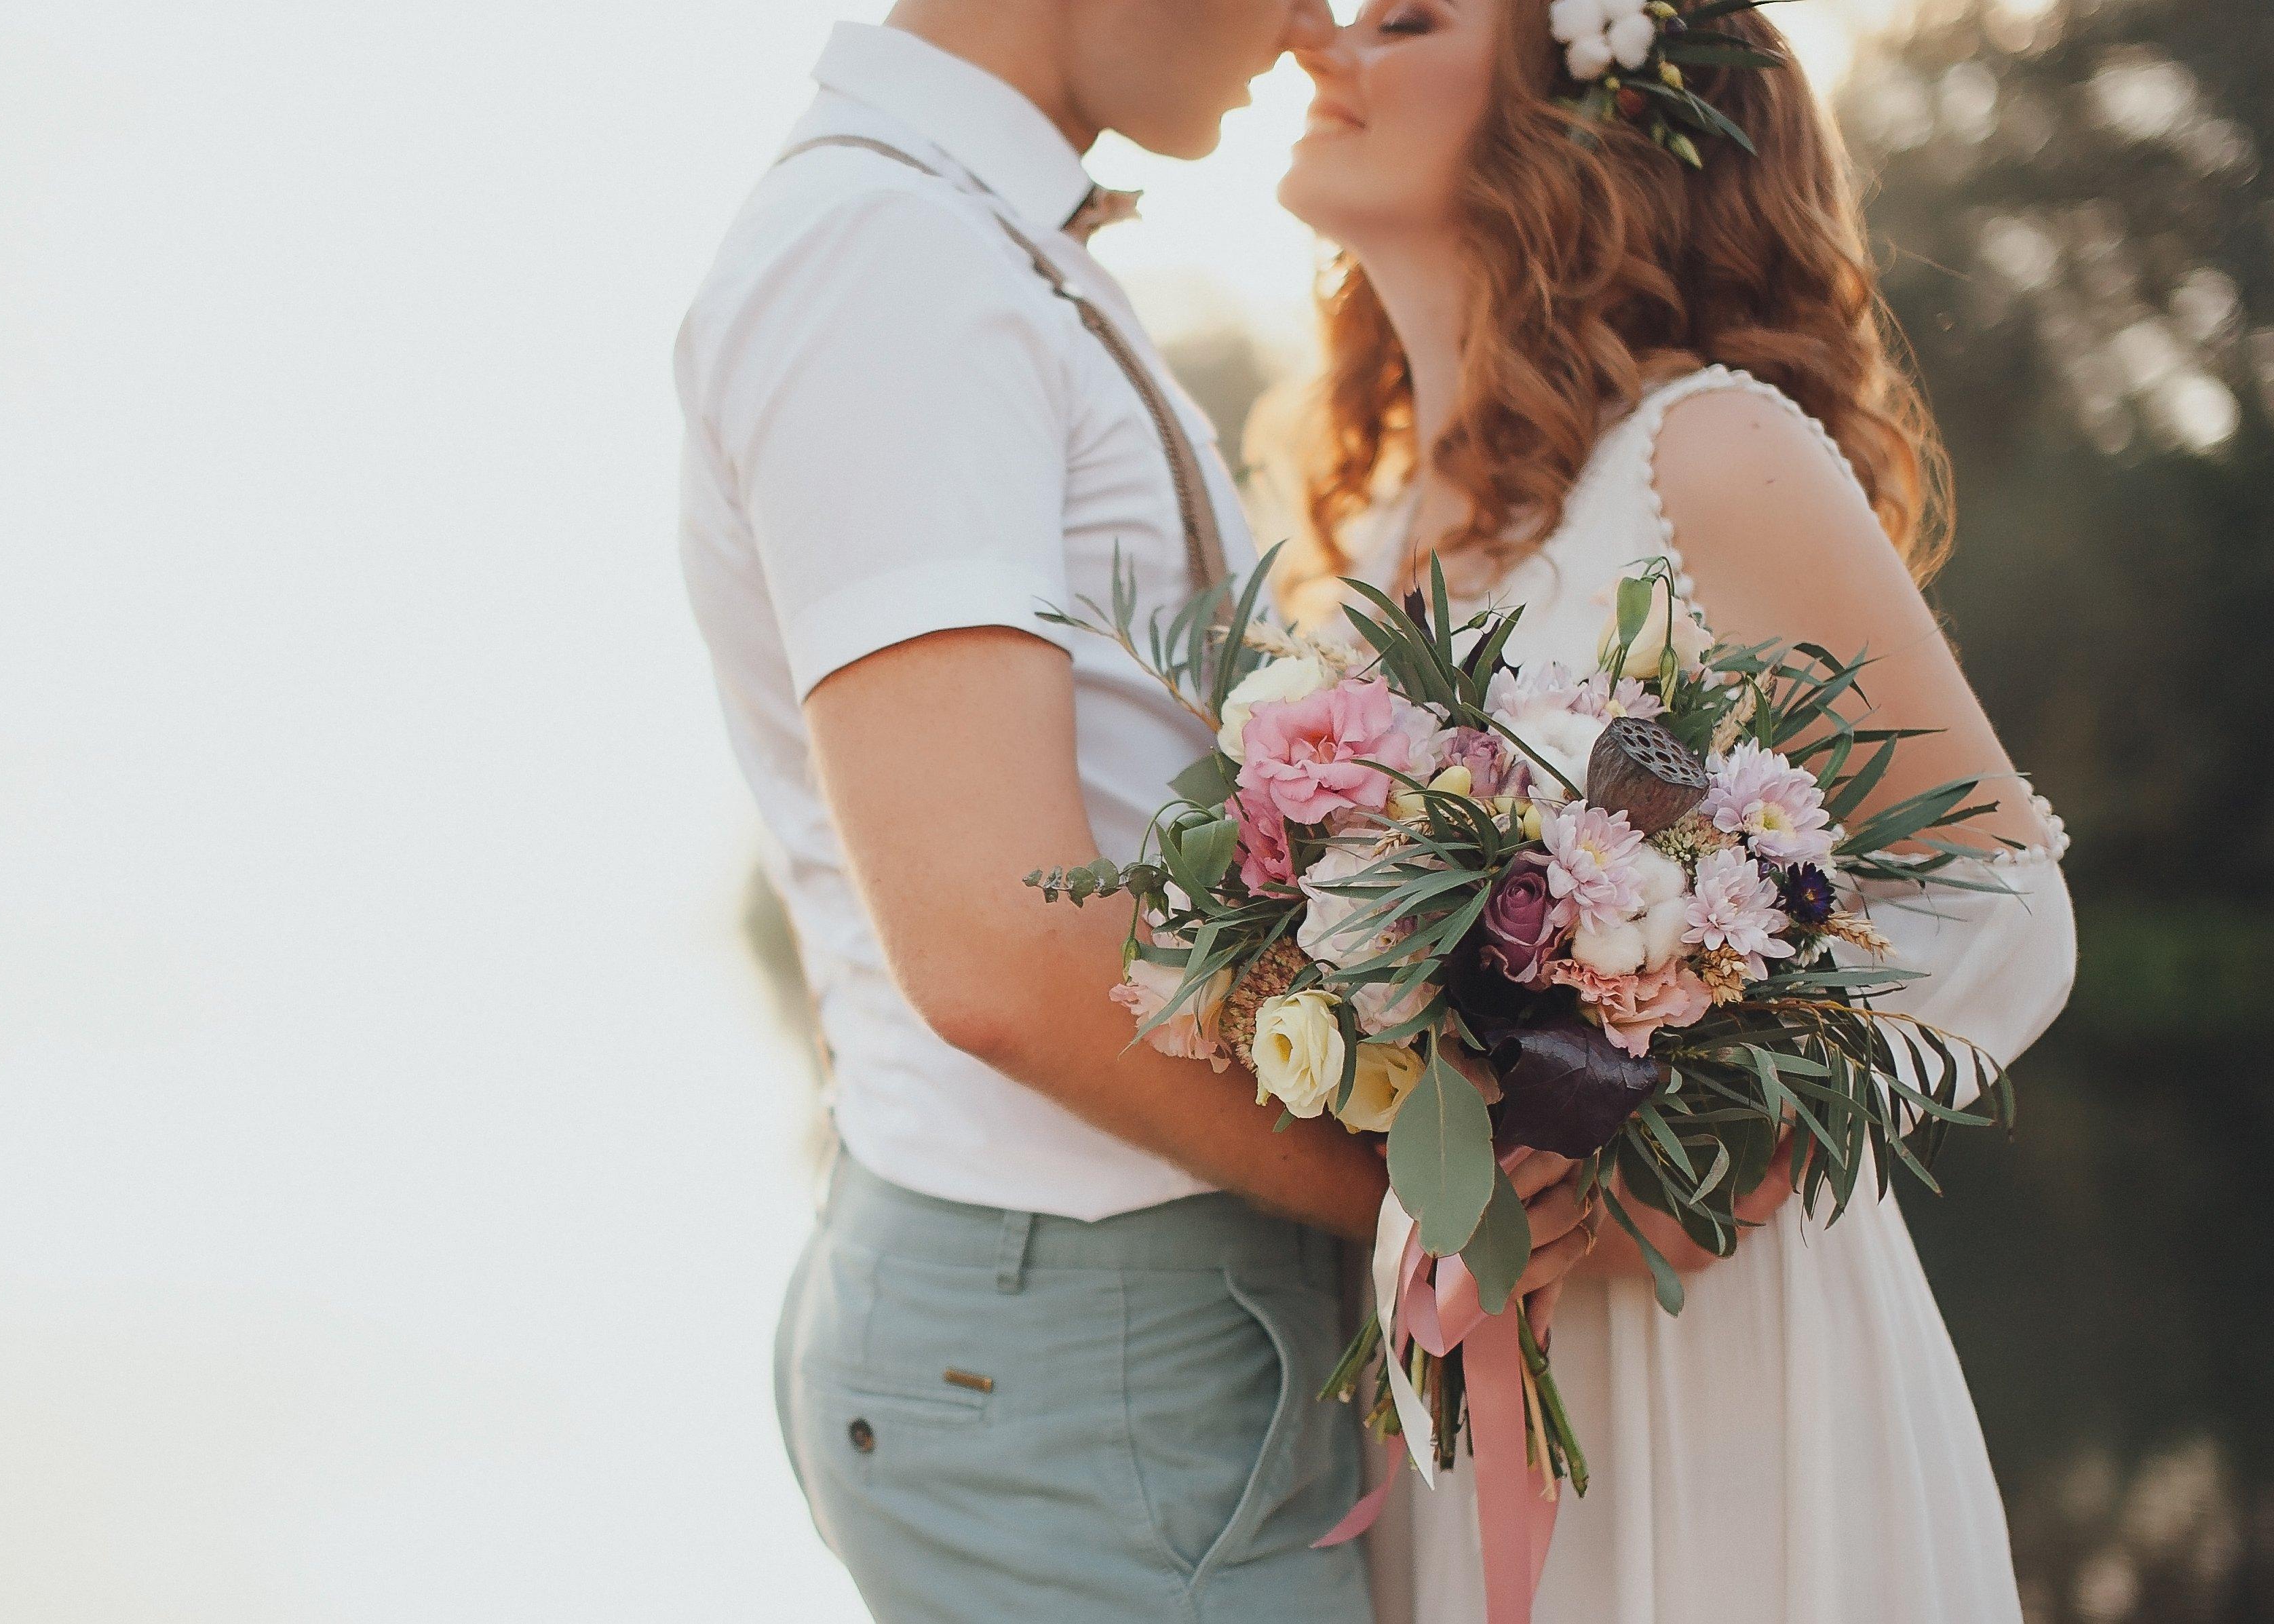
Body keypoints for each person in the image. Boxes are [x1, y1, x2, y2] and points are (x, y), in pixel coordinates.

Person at [675, 5, 1599, 1619]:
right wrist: (1418, 1189)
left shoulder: (958, 244)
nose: (1314, 21)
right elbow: (993, 949)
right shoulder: (894, 267)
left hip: (1105, 1329)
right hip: (1087, 1348)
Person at [1273, 3, 2079, 1620]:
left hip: (1725, 1359)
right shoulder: (1361, 544)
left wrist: (1705, 1163)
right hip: (1470, 1357)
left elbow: (2003, 899)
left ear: (1576, 108)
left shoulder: (1700, 453)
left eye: (1408, 16)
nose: (1322, 41)